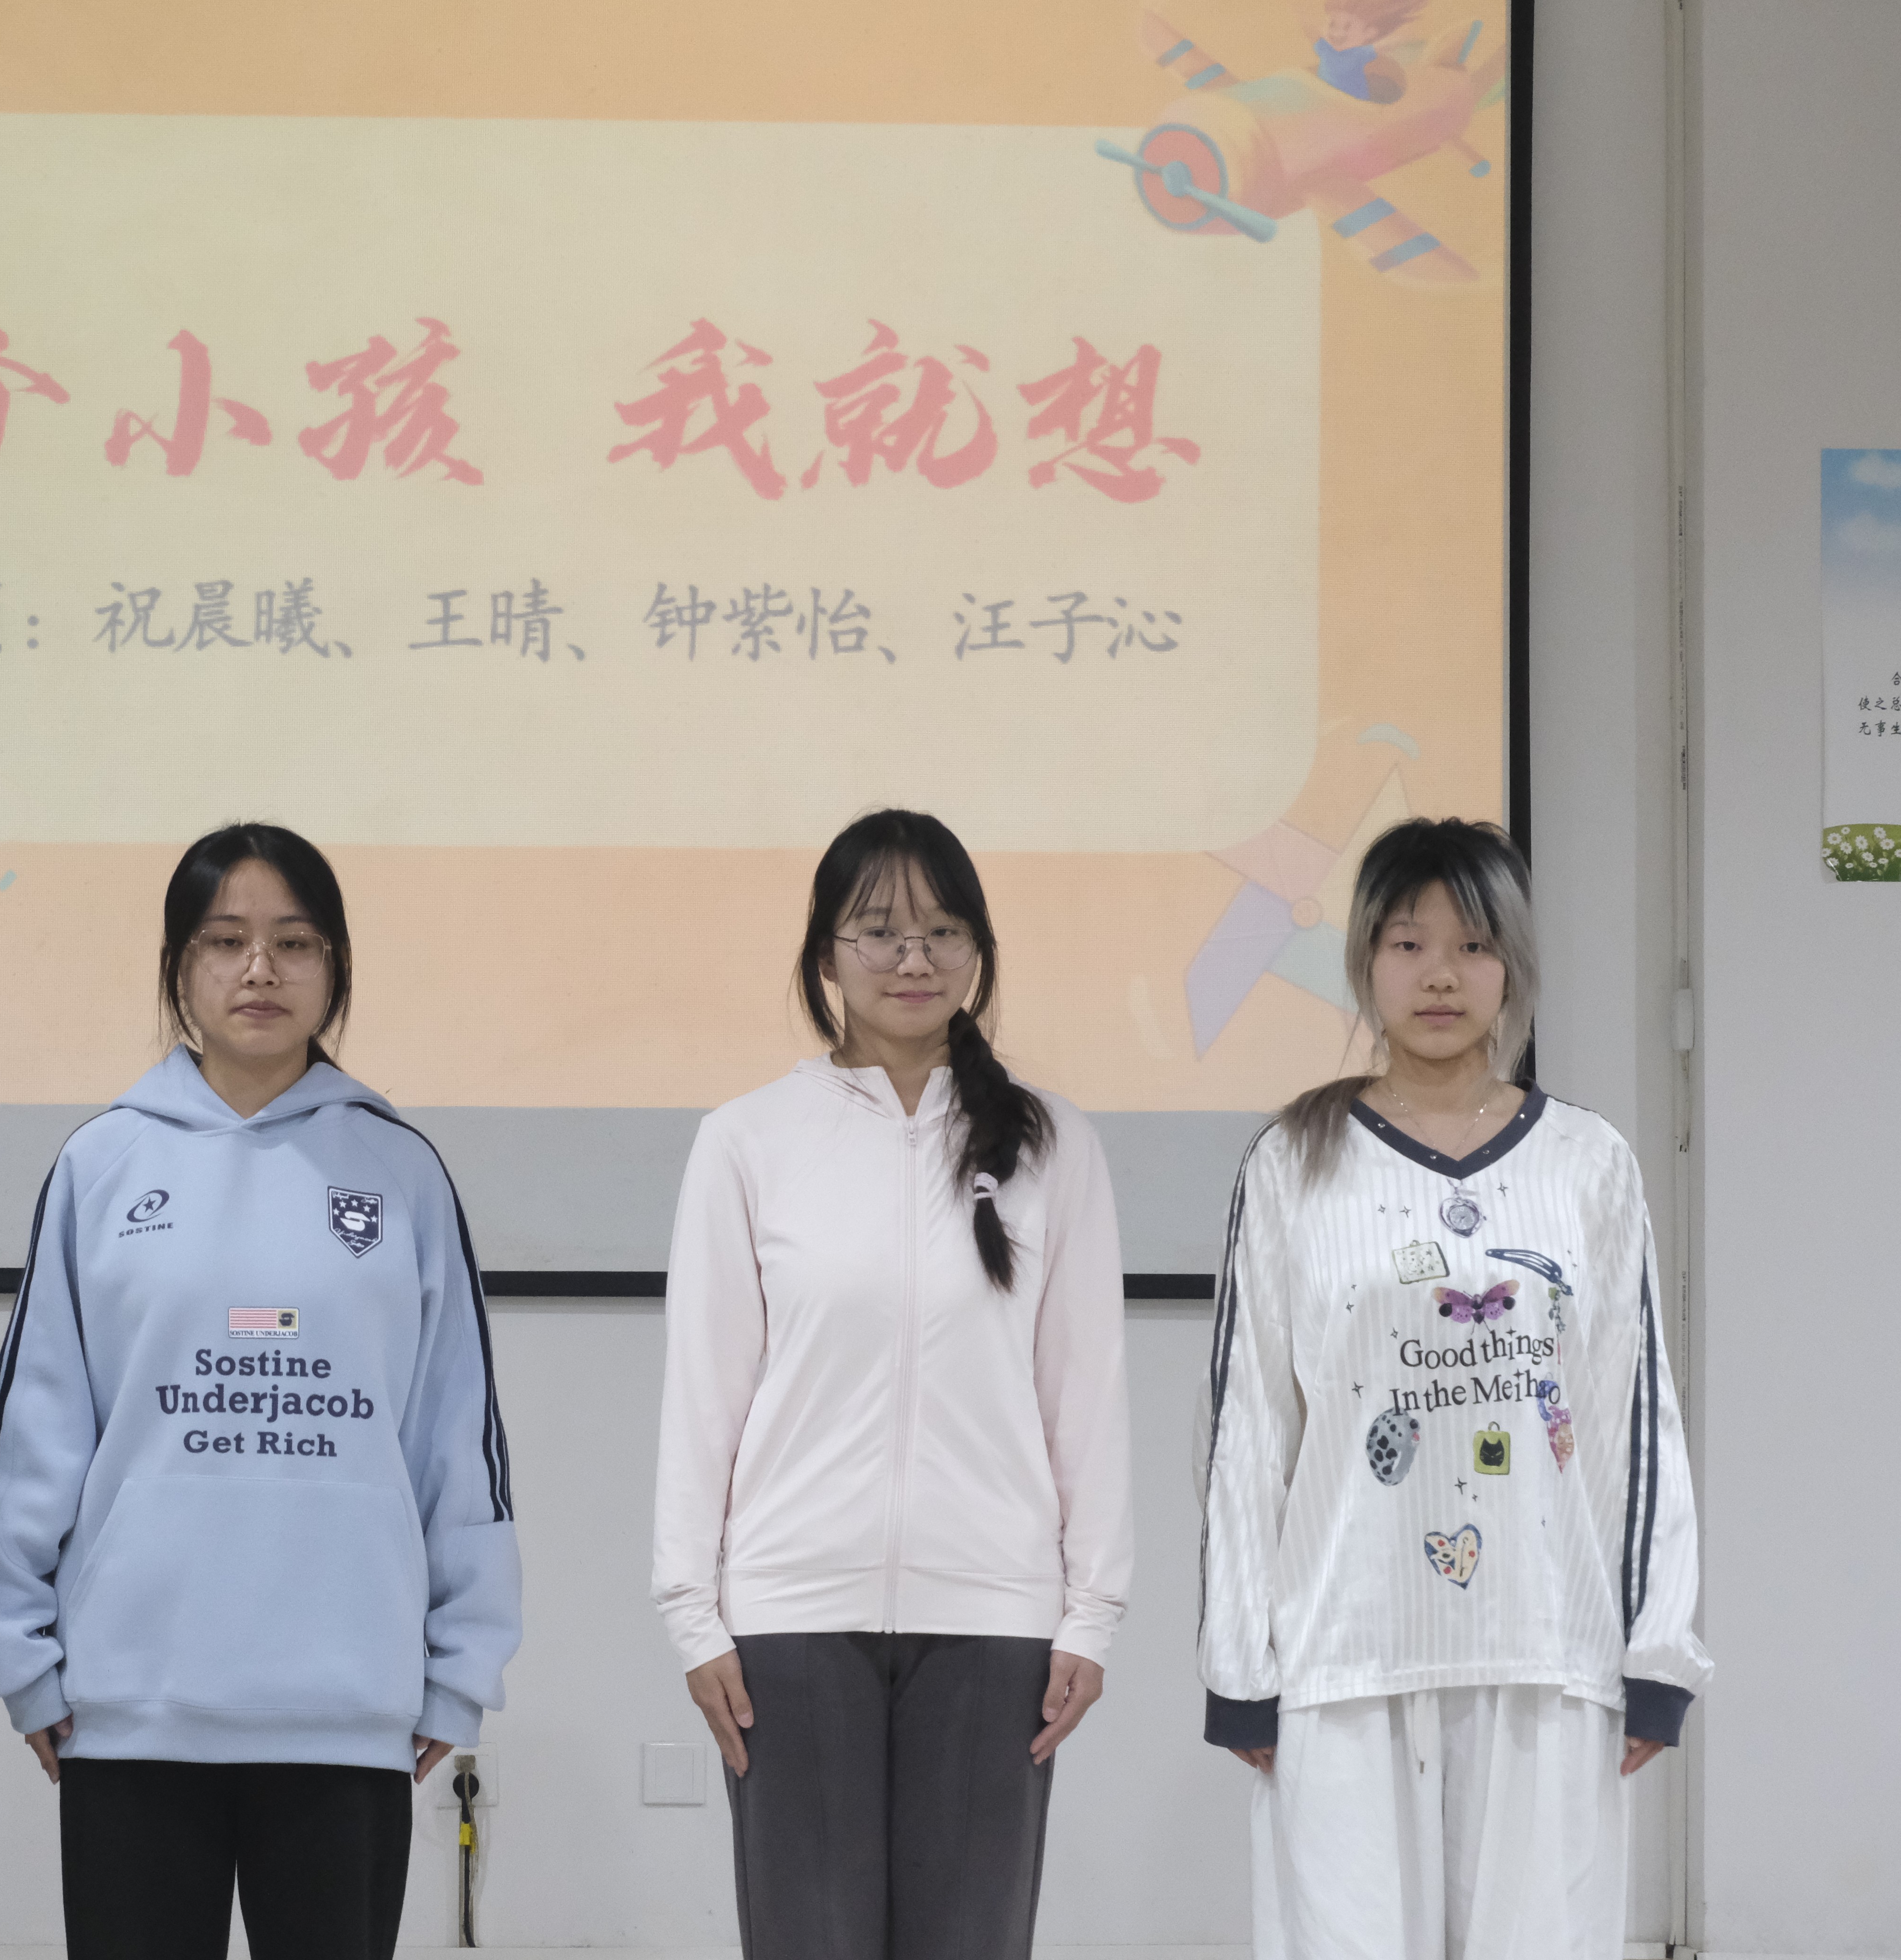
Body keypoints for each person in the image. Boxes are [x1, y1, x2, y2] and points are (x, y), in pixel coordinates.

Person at [0, 822, 520, 1960]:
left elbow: (455, 1437)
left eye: (294, 942)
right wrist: (16, 1649)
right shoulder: (104, 1164)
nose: (260, 969)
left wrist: (460, 1668)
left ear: (335, 967)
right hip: (133, 1709)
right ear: (179, 967)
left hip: (344, 1710)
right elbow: (39, 1423)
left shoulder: (400, 1170)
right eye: (225, 941)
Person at [1195, 817, 1708, 1960]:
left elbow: (1636, 1417)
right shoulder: (1295, 1161)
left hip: (1545, 1648)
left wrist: (1655, 1650)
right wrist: (1241, 1663)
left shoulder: (1588, 1163)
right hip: (1345, 1650)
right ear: (1365, 961)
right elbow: (1249, 1429)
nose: (1439, 973)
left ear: (1513, 965)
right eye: (1408, 942)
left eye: (1472, 945)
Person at [652, 808, 1131, 1960]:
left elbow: (1087, 1393)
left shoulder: (1053, 1144)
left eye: (944, 930)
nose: (913, 958)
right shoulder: (748, 1139)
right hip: (790, 1618)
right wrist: (692, 1614)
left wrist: (1092, 1612)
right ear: (826, 953)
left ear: (979, 952)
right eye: (879, 930)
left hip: (994, 1617)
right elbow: (704, 1394)